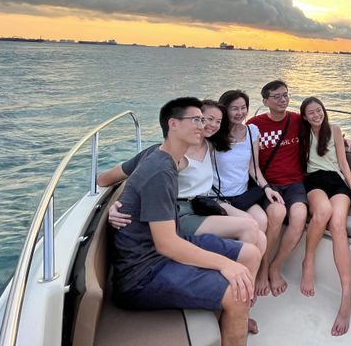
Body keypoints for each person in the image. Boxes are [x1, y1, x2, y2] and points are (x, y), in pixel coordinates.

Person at [108, 97, 259, 346]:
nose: (202, 125)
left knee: (250, 254)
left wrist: (124, 200)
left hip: (167, 249)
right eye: (196, 120)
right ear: (173, 124)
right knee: (237, 292)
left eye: (204, 119)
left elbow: (107, 180)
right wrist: (225, 265)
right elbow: (166, 245)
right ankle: (233, 312)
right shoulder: (158, 169)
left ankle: (231, 320)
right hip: (143, 274)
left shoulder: (164, 157)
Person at [98, 100, 266, 254]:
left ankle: (246, 277)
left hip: (204, 203)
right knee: (248, 226)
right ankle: (236, 277)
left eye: (218, 121)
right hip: (179, 211)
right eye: (206, 119)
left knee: (258, 231)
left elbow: (241, 151)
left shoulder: (210, 145)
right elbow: (111, 180)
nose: (212, 125)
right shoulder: (167, 154)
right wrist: (115, 206)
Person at [298, 96, 351, 337]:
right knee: (324, 213)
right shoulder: (301, 132)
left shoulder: (335, 130)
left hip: (336, 182)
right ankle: (308, 262)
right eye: (311, 112)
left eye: (319, 110)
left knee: (339, 224)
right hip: (314, 182)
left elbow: (343, 164)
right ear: (305, 116)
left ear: (323, 111)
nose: (316, 115)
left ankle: (346, 294)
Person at [216, 90, 286, 295]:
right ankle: (240, 279)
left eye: (243, 108)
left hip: (243, 194)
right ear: (225, 110)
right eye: (234, 108)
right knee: (253, 225)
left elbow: (254, 169)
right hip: (220, 198)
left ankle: (251, 275)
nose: (240, 113)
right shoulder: (214, 134)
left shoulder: (252, 131)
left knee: (263, 220)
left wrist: (267, 188)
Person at [245, 80, 307, 297]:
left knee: (299, 216)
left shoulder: (297, 120)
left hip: (295, 183)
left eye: (286, 95)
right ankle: (262, 269)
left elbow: (321, 129)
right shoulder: (254, 125)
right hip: (268, 185)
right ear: (265, 101)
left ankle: (275, 267)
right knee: (277, 213)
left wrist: (343, 139)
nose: (283, 100)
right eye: (277, 96)